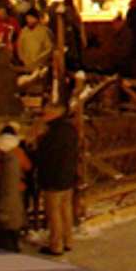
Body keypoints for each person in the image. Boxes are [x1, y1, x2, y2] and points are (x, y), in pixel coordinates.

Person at [34, 102, 79, 255]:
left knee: (54, 213)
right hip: (68, 176)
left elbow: (43, 155)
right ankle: (68, 241)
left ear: (54, 114)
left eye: (45, 114)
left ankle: (56, 244)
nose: (43, 117)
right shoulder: (70, 130)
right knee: (66, 210)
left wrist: (38, 140)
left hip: (53, 178)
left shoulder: (51, 134)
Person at [0, 123, 30, 251]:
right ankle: (13, 240)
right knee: (15, 213)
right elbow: (28, 166)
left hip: (2, 185)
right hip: (18, 186)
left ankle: (3, 239)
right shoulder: (18, 151)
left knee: (3, 212)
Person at [17, 8, 54, 73]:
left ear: (36, 19)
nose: (29, 20)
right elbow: (19, 46)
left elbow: (49, 48)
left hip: (41, 67)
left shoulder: (44, 31)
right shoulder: (24, 31)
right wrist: (22, 58)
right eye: (27, 18)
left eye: (31, 18)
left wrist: (39, 59)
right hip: (27, 66)